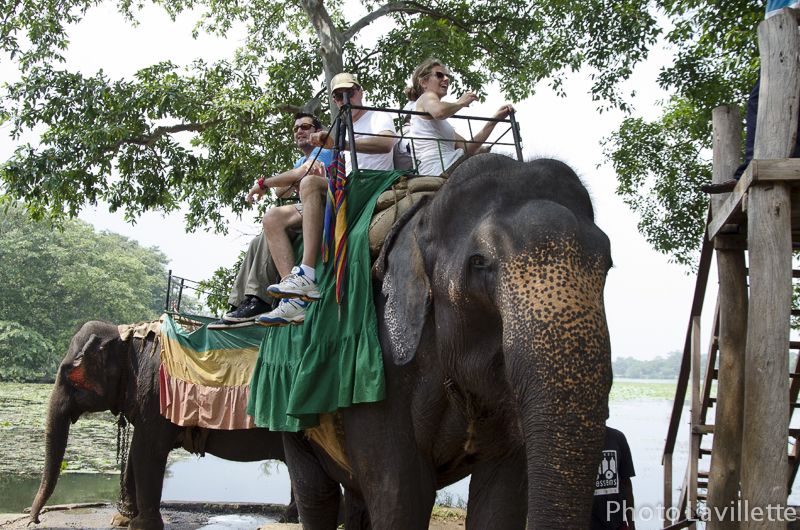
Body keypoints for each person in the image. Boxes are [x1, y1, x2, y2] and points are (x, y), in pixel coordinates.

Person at [258, 72, 397, 326]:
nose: (345, 99)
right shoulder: (341, 126)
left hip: (370, 183)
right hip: (345, 187)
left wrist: (338, 144)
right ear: (334, 101)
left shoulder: (377, 116)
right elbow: (287, 188)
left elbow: (386, 144)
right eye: (339, 96)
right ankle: (293, 300)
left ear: (360, 92)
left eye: (350, 93)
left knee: (309, 182)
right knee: (272, 217)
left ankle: (307, 273)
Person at [207, 112, 332, 329]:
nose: (299, 131)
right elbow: (282, 191)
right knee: (257, 240)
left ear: (317, 131)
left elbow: (297, 176)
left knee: (273, 217)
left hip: (324, 203)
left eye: (305, 126)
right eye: (296, 128)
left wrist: (264, 182)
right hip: (305, 208)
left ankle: (273, 297)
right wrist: (293, 178)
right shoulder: (302, 160)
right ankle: (241, 302)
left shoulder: (325, 148)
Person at [702, 0, 800, 194]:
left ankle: (756, 165)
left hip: (790, 45)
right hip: (778, 50)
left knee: (767, 102)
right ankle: (750, 166)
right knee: (761, 103)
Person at [405, 58, 514, 176]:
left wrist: (493, 121)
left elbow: (467, 148)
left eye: (447, 76)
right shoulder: (427, 96)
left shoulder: (440, 124)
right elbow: (439, 111)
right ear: (423, 83)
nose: (446, 79)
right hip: (440, 168)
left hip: (447, 165)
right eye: (439, 75)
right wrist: (461, 103)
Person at [591, 426, 636, 530]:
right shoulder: (575, 441)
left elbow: (626, 484)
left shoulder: (618, 438)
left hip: (617, 522)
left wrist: (631, 525)